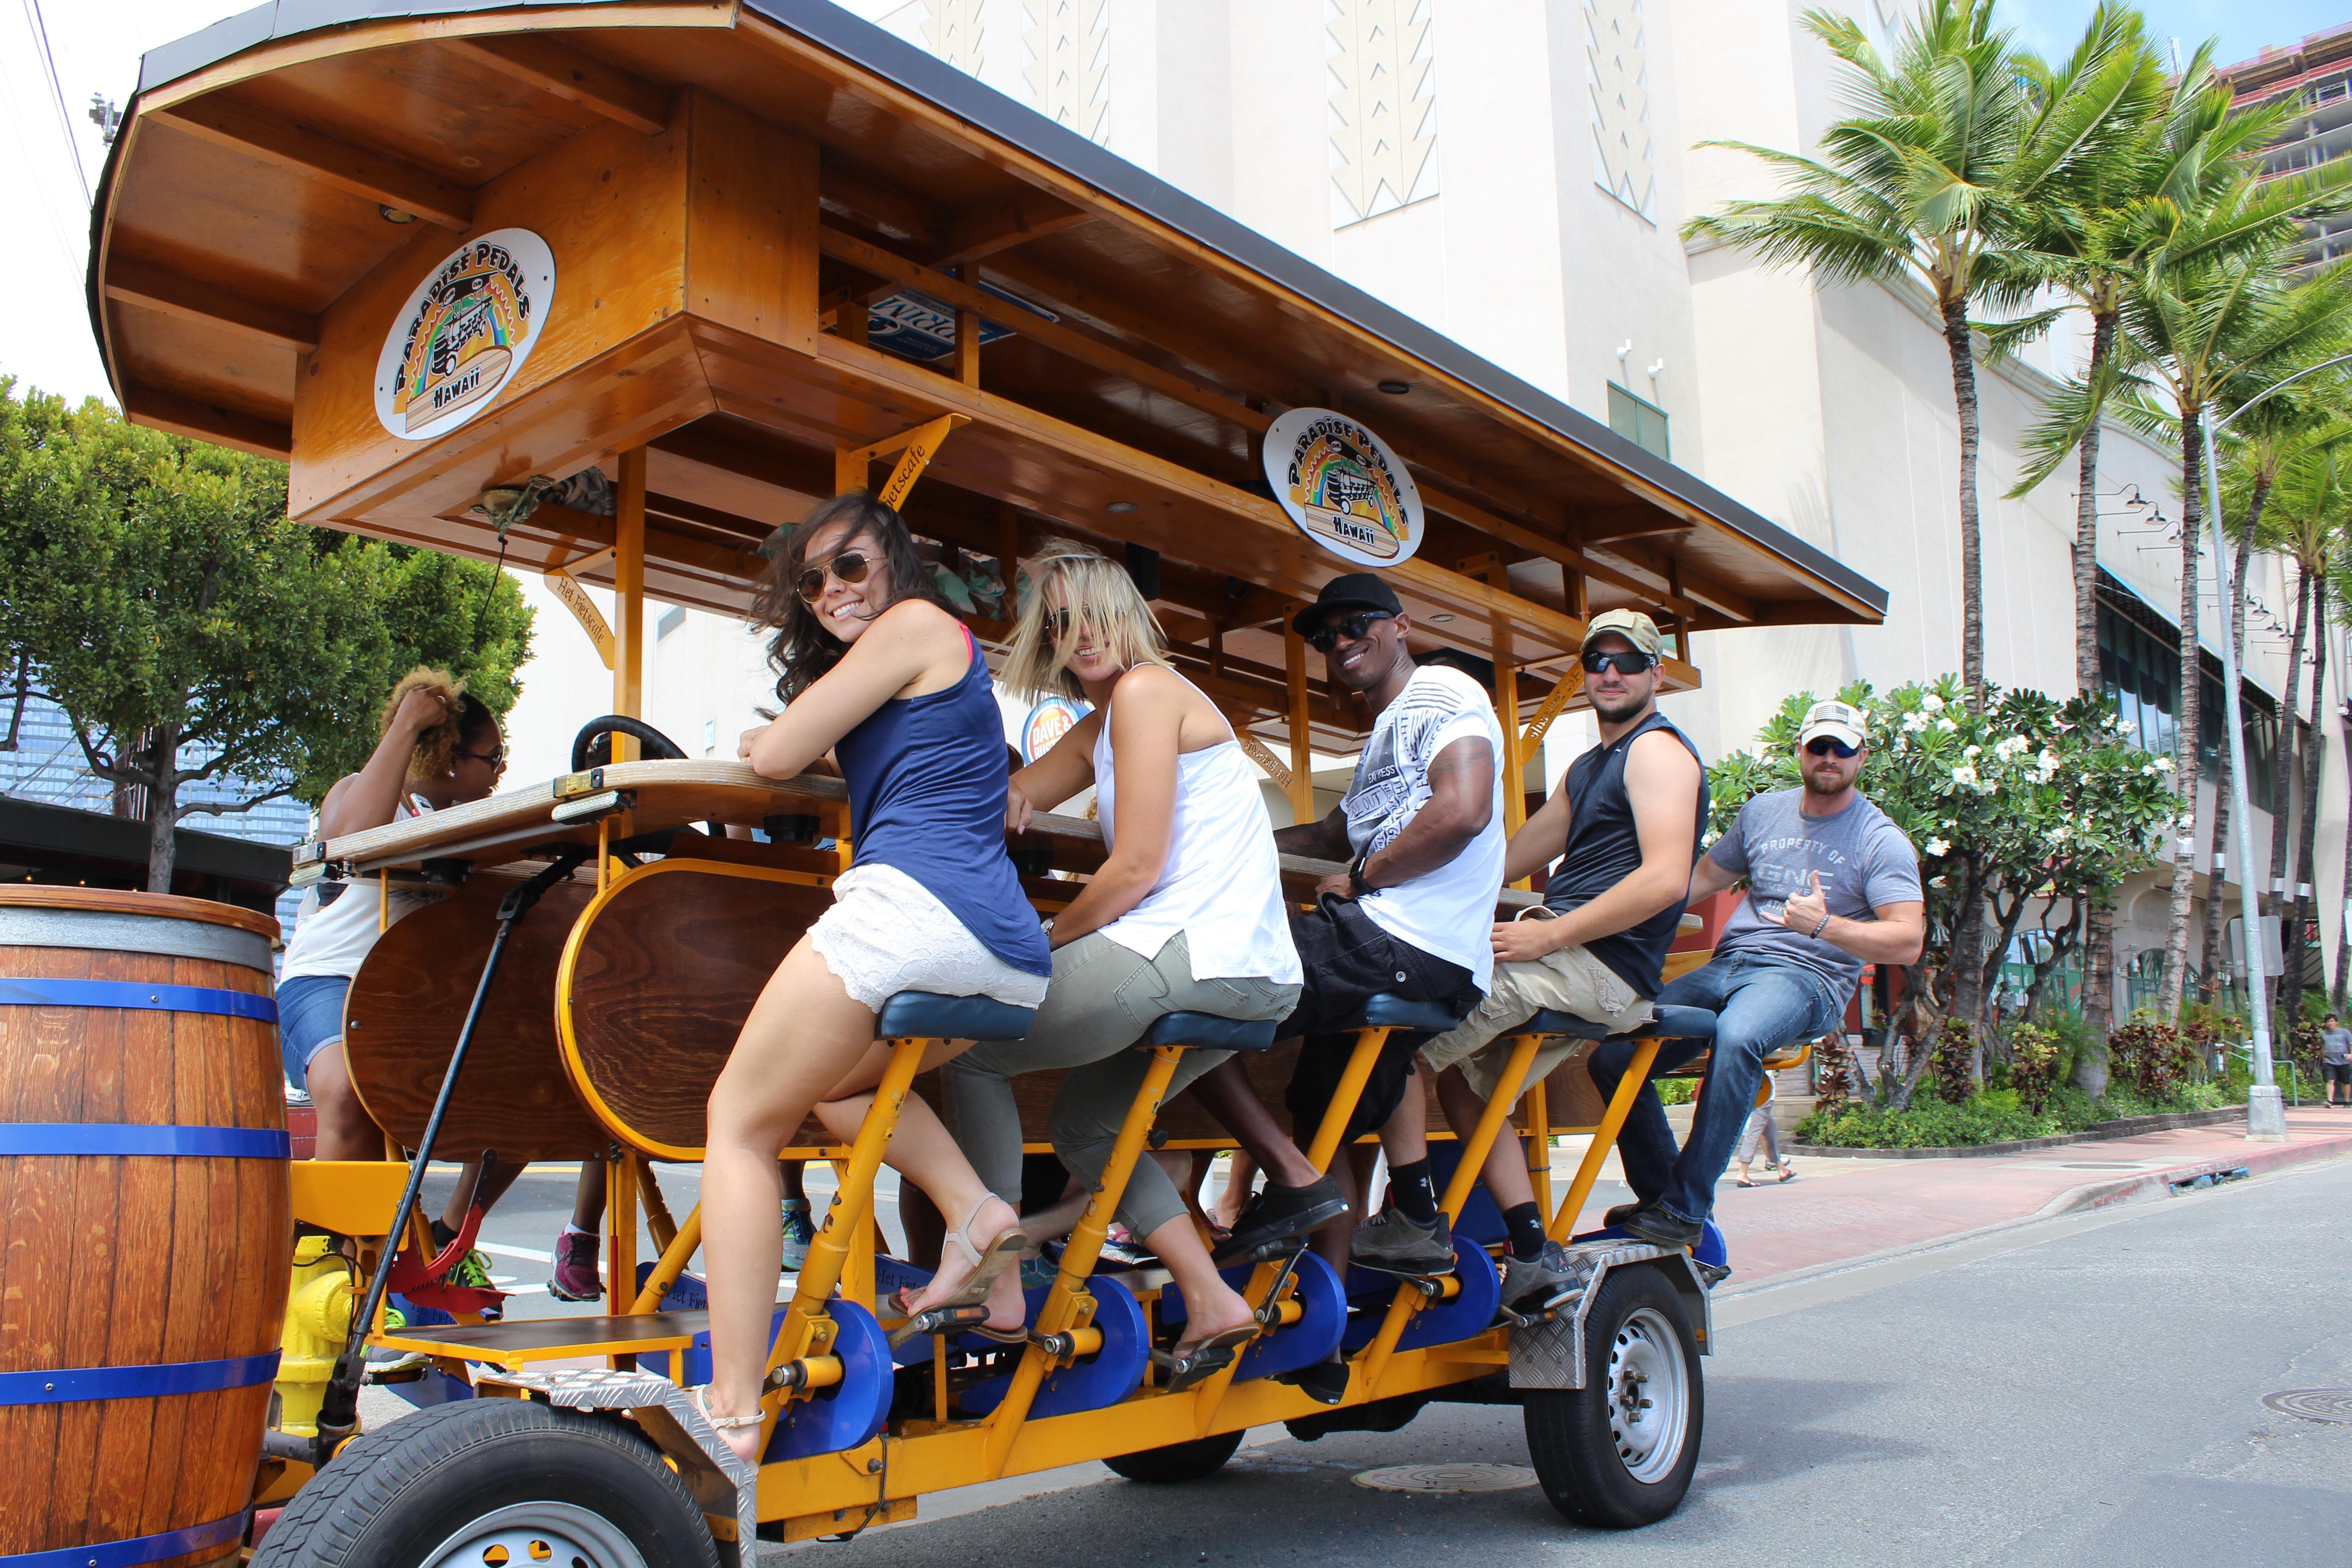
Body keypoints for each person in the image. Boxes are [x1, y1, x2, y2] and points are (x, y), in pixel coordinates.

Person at [698, 494, 1052, 1461]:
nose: (830, 591)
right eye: (812, 581)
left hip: (914, 912)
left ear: (894, 562)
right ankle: (974, 1212)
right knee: (841, 1089)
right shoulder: (927, 660)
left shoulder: (915, 624)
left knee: (738, 1124)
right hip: (1005, 947)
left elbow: (777, 754)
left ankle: (732, 1408)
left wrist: (764, 742)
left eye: (848, 566)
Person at [939, 539, 1306, 1390]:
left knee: (972, 1049)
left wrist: (1043, 941)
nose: (1081, 635)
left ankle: (998, 1279)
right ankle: (1210, 1297)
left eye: (1096, 615)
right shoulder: (1104, 722)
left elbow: (1137, 867)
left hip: (1192, 946)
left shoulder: (1145, 692)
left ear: (1130, 617)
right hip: (1245, 965)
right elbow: (1020, 790)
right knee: (1087, 1128)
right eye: (1060, 622)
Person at [1183, 573, 1504, 1396]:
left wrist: (1364, 877)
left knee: (1188, 979)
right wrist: (1219, 840)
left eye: (1356, 624)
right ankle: (1321, 1342)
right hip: (1401, 949)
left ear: (1400, 627)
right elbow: (1332, 831)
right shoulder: (1385, 735)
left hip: (1403, 941)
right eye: (1325, 636)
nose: (1339, 642)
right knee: (1324, 1117)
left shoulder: (1442, 692)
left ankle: (1278, 1188)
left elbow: (1464, 809)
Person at [1369, 609, 1705, 1308]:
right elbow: (1508, 856)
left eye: (1628, 660)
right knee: (1467, 1087)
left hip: (1596, 965)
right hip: (1569, 956)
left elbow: (1666, 880)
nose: (1610, 673)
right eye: (1597, 660)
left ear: (1655, 674)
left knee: (1395, 1038)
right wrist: (1408, 880)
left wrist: (1549, 936)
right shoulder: (1590, 767)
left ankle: (1416, 1223)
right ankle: (1531, 1253)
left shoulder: (1657, 752)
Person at [1598, 698, 1925, 1249]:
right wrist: (1612, 913)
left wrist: (1823, 926)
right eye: (1819, 746)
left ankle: (1685, 1207)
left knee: (1739, 1034)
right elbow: (1700, 879)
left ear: (1862, 757)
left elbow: (1908, 941)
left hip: (1807, 977)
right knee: (1612, 1056)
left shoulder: (1879, 838)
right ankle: (1662, 1198)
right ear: (1800, 751)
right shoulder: (1762, 813)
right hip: (1730, 965)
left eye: (1842, 749)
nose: (1829, 757)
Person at [276, 669, 520, 1293]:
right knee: (345, 1088)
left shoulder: (474, 824)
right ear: (449, 758)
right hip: (328, 983)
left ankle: (447, 1238)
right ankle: (321, 1270)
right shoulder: (368, 793)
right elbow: (348, 837)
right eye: (492, 758)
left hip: (410, 998)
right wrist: (409, 724)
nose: (500, 772)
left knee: (536, 1086)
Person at [1733, 1074, 1793, 1186]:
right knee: (1755, 1132)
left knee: (1770, 1129)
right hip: (1763, 1091)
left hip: (1756, 1089)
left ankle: (1781, 1168)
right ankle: (1743, 1173)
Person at [2321, 1014, 2352, 1107]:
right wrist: (2323, 1059)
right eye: (2328, 1022)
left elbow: (2351, 1044)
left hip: (2343, 1061)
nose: (2330, 1023)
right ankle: (2330, 1101)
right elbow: (2324, 1047)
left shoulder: (2345, 1032)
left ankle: (2347, 1101)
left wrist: (2351, 1055)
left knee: (2345, 1082)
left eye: (2332, 1021)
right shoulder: (2324, 1034)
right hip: (2329, 1061)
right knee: (2330, 1080)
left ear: (2336, 1022)